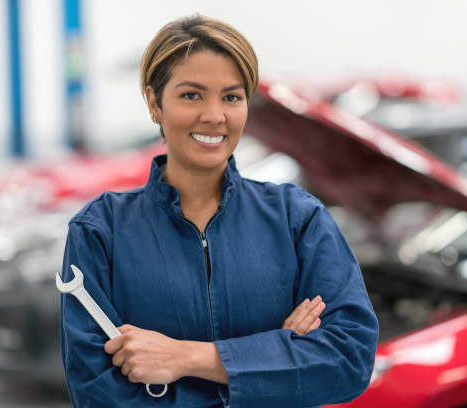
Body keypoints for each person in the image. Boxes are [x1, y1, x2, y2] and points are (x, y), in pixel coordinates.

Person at [60, 14, 378, 408]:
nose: (214, 115)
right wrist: (276, 355)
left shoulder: (298, 220)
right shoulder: (100, 232)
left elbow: (349, 360)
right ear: (154, 102)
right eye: (191, 95)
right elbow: (97, 395)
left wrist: (186, 359)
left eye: (232, 96)